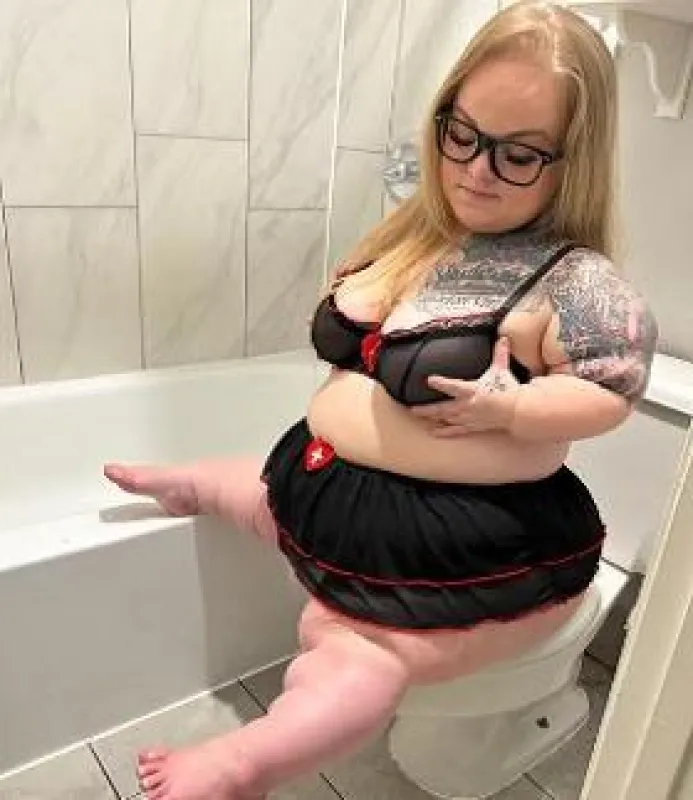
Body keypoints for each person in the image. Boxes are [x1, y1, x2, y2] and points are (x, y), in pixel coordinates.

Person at [104, 2, 658, 798]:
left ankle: (244, 763)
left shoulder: (571, 280)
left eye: (517, 155)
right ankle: (195, 485)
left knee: (355, 657)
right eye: (460, 134)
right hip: (338, 493)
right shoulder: (424, 235)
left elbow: (608, 391)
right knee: (260, 492)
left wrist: (512, 410)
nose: (475, 170)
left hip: (451, 548)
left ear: (572, 162)